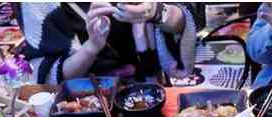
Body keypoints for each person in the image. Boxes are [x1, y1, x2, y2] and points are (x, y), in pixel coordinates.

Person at [16, 2, 196, 84]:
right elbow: (48, 74)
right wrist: (91, 47)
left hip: (151, 85)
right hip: (89, 100)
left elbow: (185, 20)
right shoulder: (36, 5)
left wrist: (156, 11)